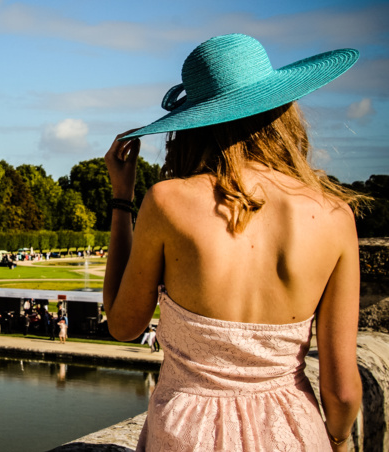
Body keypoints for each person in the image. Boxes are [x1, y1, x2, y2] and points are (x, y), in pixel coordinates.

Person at [102, 34, 365, 451]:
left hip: (188, 435)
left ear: (193, 123)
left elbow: (123, 325)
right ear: (283, 110)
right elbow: (343, 391)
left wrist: (122, 200)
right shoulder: (335, 216)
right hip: (295, 434)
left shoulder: (169, 202)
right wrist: (338, 439)